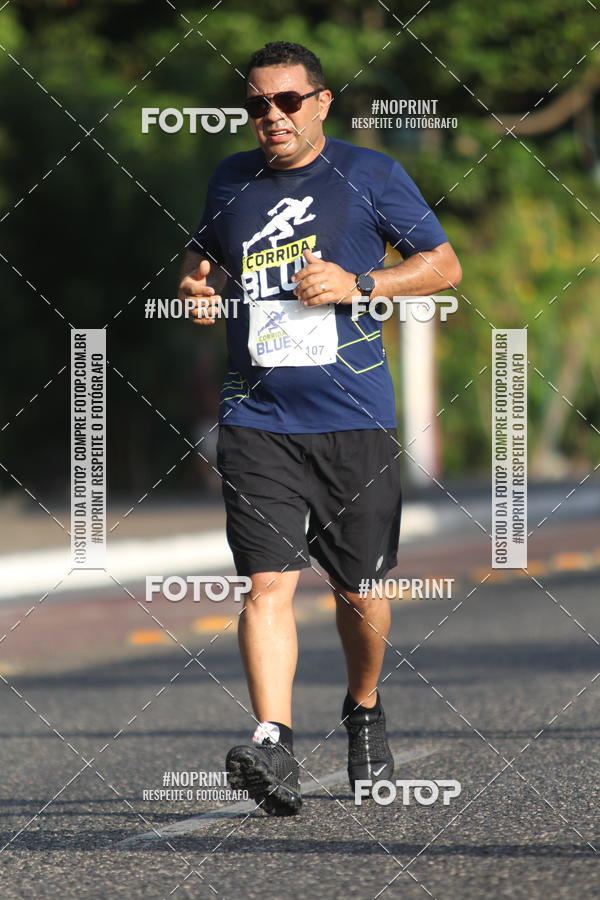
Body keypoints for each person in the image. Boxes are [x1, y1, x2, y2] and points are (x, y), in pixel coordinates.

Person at [178, 41, 462, 816]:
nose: (271, 116)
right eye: (257, 105)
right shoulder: (231, 179)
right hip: (257, 415)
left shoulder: (371, 176)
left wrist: (360, 281)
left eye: (287, 101)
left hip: (353, 416)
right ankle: (274, 741)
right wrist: (196, 286)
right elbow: (205, 260)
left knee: (358, 589)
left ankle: (363, 706)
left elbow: (443, 265)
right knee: (267, 582)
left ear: (321, 102)